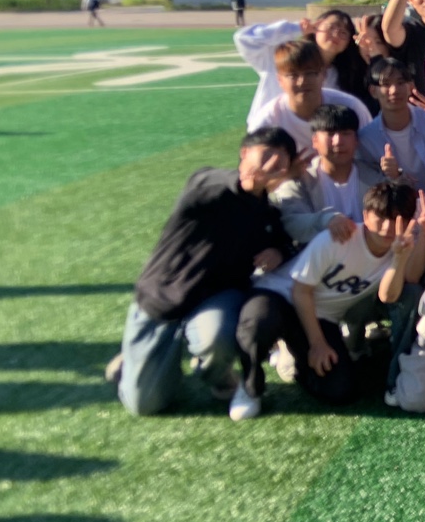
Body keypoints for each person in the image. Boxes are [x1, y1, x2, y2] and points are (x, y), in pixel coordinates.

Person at [110, 127, 296, 419]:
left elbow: (284, 241)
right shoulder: (206, 186)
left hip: (216, 297)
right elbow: (208, 180)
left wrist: (279, 252)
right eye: (266, 154)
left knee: (217, 337)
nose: (272, 163)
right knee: (145, 405)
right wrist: (246, 181)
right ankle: (131, 363)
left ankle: (217, 376)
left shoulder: (267, 214)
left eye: (281, 159)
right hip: (163, 297)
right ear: (244, 153)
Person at [237, 181, 425, 414]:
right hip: (280, 295)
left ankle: (296, 356)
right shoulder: (338, 239)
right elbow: (301, 291)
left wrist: (399, 258)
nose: (388, 227)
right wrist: (317, 344)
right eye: (381, 218)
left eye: (398, 219)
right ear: (366, 216)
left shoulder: (400, 247)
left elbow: (389, 296)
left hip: (320, 316)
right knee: (260, 322)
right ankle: (248, 386)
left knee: (340, 390)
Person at [247, 40, 370, 155]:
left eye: (310, 73)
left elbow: (372, 153)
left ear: (323, 75)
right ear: (280, 80)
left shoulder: (350, 106)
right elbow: (252, 166)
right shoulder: (268, 120)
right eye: (293, 75)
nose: (302, 82)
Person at [235, 13, 361, 125]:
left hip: (310, 138)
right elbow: (244, 38)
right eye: (331, 27)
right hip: (268, 131)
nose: (336, 34)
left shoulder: (343, 76)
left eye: (343, 33)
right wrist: (296, 29)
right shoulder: (283, 56)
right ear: (315, 28)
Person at [270, 104, 367, 248]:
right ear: (315, 141)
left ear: (356, 140)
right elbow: (292, 223)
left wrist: (396, 176)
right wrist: (326, 220)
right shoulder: (299, 180)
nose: (338, 141)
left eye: (346, 133)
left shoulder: (375, 177)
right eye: (330, 134)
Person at [356, 56, 425, 195]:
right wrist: (395, 177)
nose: (394, 90)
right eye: (386, 84)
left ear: (410, 87)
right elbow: (374, 193)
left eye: (400, 82)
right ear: (373, 91)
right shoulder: (366, 139)